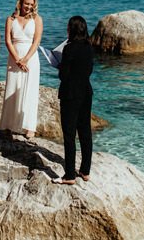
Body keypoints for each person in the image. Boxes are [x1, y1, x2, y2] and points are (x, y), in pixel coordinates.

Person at [54, 15, 93, 184]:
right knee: (85, 132)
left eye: (68, 27)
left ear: (72, 30)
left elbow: (64, 75)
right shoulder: (89, 47)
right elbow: (88, 70)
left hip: (71, 94)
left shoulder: (69, 49)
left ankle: (69, 175)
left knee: (69, 134)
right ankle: (85, 171)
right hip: (86, 92)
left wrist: (60, 65)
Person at [0, 0, 43, 139]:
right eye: (26, 3)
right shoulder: (10, 19)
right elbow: (7, 41)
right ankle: (9, 124)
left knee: (29, 91)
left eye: (31, 4)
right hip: (14, 58)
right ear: (20, 2)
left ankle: (30, 126)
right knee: (12, 89)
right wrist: (17, 59)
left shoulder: (37, 19)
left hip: (31, 59)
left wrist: (25, 59)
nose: (29, 7)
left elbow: (37, 41)